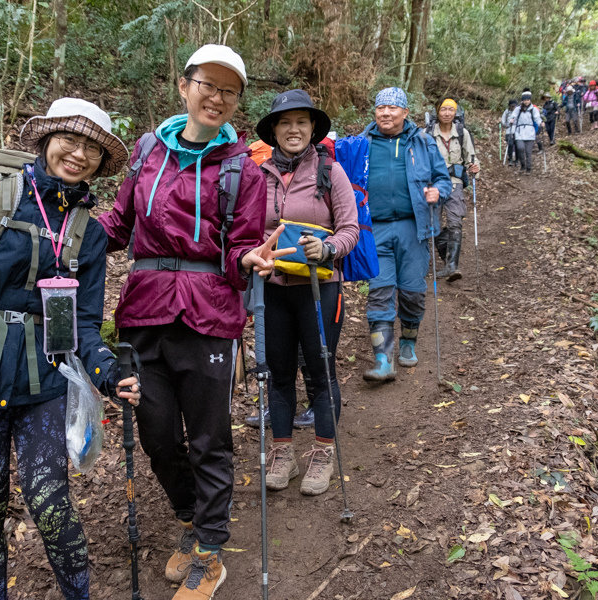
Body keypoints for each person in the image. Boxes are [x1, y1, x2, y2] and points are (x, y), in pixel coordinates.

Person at [0, 98, 141, 600]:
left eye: (92, 150)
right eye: (70, 140)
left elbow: (82, 321)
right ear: (45, 139)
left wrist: (106, 371)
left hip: (44, 381)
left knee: (51, 501)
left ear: (102, 163)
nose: (79, 154)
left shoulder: (92, 233)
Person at [99, 44, 292, 600]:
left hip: (209, 312)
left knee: (208, 438)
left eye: (229, 91)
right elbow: (118, 224)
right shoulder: (146, 153)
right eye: (208, 84)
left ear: (237, 102)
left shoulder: (242, 170)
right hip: (144, 309)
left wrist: (250, 259)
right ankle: (189, 516)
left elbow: (241, 247)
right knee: (156, 434)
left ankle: (210, 548)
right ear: (184, 87)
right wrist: (64, 229)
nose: (217, 97)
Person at [252, 89, 358, 495]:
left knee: (320, 369)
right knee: (277, 373)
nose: (293, 129)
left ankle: (323, 453)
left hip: (319, 288)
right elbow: (249, 229)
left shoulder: (331, 173)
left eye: (301, 122)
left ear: (313, 128)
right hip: (273, 287)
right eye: (284, 122)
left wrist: (328, 248)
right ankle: (283, 453)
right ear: (274, 130)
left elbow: (349, 228)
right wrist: (256, 249)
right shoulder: (259, 175)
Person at [357, 87, 452, 382]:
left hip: (415, 227)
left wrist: (439, 191)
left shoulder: (423, 142)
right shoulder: (361, 144)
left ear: (405, 113)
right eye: (380, 108)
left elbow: (443, 178)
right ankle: (383, 358)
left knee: (412, 292)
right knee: (380, 291)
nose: (386, 113)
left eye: (392, 108)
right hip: (374, 229)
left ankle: (409, 340)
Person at [427, 97, 479, 281]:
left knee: (455, 221)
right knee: (433, 225)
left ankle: (452, 266)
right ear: (437, 111)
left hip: (455, 182)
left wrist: (474, 167)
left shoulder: (462, 133)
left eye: (451, 109)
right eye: (443, 109)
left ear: (456, 112)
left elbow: (471, 157)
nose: (447, 113)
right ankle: (446, 261)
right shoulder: (427, 134)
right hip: (433, 184)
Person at [509, 91, 542, 175]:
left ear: (530, 100)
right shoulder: (518, 109)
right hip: (519, 132)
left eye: (528, 100)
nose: (526, 101)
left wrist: (540, 123)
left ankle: (528, 168)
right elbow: (513, 117)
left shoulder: (533, 109)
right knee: (520, 148)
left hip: (530, 132)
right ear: (522, 100)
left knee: (528, 151)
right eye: (525, 100)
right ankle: (523, 164)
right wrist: (512, 121)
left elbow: (537, 118)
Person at [500, 99, 518, 164]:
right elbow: (503, 121)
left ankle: (517, 159)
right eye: (512, 106)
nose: (513, 107)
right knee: (510, 145)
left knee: (517, 145)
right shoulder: (507, 112)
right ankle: (510, 158)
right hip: (508, 130)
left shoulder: (518, 111)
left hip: (517, 131)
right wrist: (508, 124)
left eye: (514, 106)